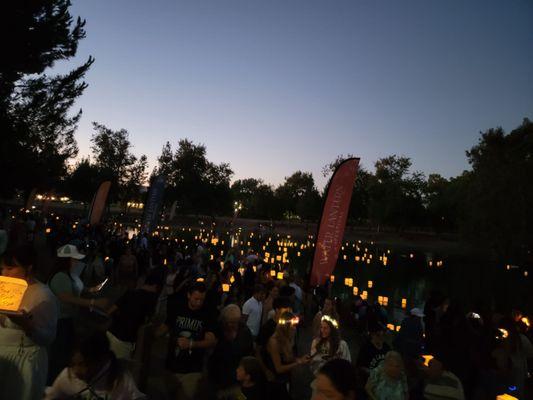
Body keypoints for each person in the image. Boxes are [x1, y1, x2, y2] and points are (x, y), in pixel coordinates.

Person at [0, 244, 58, 400]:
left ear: (29, 268)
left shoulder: (42, 295)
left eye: (10, 268)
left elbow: (48, 337)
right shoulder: (4, 290)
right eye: (3, 269)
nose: (5, 273)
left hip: (24, 360)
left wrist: (25, 324)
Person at [48, 244, 108, 382]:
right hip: (60, 321)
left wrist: (92, 290)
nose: (77, 263)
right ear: (66, 260)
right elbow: (66, 297)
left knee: (65, 354)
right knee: (60, 356)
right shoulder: (60, 276)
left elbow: (78, 290)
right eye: (74, 259)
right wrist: (93, 303)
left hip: (67, 320)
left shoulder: (70, 275)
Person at [158, 281, 217, 400]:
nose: (199, 302)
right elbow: (166, 326)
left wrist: (192, 344)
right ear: (188, 295)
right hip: (171, 365)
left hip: (192, 368)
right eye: (196, 299)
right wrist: (153, 334)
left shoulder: (207, 313)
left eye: (202, 299)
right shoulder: (178, 308)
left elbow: (211, 340)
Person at [44, 332, 145, 399]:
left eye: (82, 364)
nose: (76, 370)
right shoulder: (68, 376)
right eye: (73, 364)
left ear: (101, 361)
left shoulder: (120, 379)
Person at [208, 304, 254, 397]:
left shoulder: (244, 332)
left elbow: (249, 353)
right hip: (217, 375)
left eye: (234, 322)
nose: (231, 325)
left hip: (236, 378)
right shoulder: (218, 329)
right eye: (229, 322)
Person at [265, 311, 310, 398]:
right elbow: (278, 368)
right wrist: (298, 362)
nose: (294, 328)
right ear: (285, 326)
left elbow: (289, 358)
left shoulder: (288, 336)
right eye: (293, 325)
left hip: (286, 377)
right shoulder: (274, 342)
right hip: (276, 381)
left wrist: (300, 359)